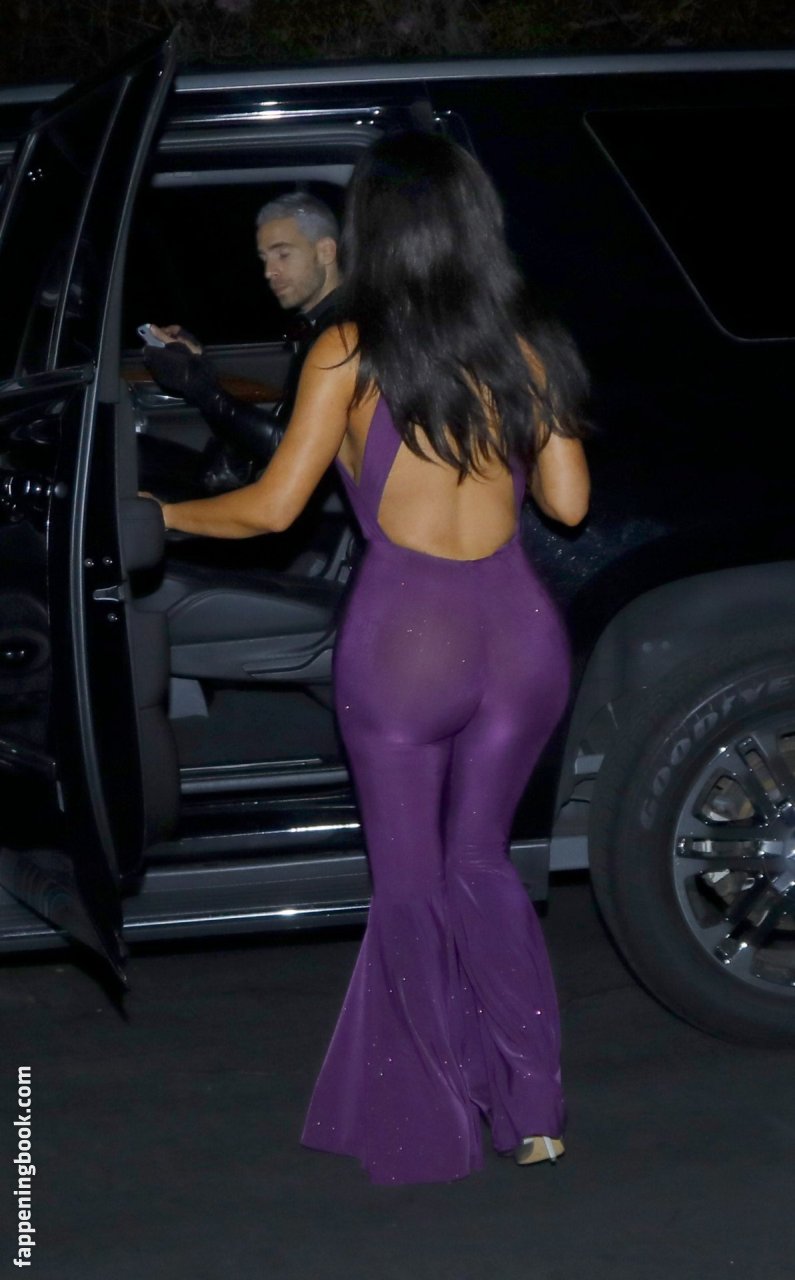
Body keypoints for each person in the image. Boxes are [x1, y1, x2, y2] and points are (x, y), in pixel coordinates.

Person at [146, 132, 590, 1185]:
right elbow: (569, 504)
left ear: (370, 232)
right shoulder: (525, 342)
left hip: (407, 644)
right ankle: (535, 1110)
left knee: (410, 881)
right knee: (483, 861)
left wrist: (153, 511)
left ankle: (438, 1118)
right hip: (520, 639)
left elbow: (270, 509)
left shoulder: (346, 349)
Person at [143, 191, 341, 485]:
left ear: (325, 251)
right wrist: (199, 364)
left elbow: (288, 448)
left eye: (283, 254)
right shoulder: (316, 326)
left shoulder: (342, 334)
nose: (269, 272)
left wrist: (201, 388)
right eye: (264, 259)